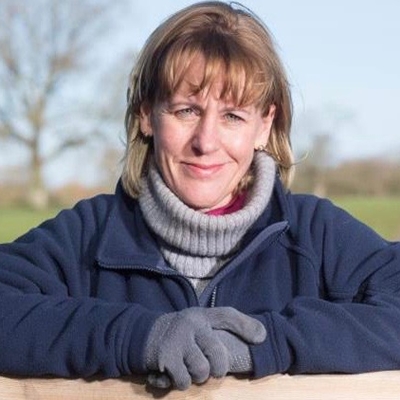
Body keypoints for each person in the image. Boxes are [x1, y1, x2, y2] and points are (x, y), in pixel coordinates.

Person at [1, 0, 400, 392]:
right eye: (186, 111)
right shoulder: (88, 235)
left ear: (264, 125)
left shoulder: (316, 234)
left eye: (233, 116)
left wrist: (265, 344)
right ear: (146, 114)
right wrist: (141, 337)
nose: (206, 142)